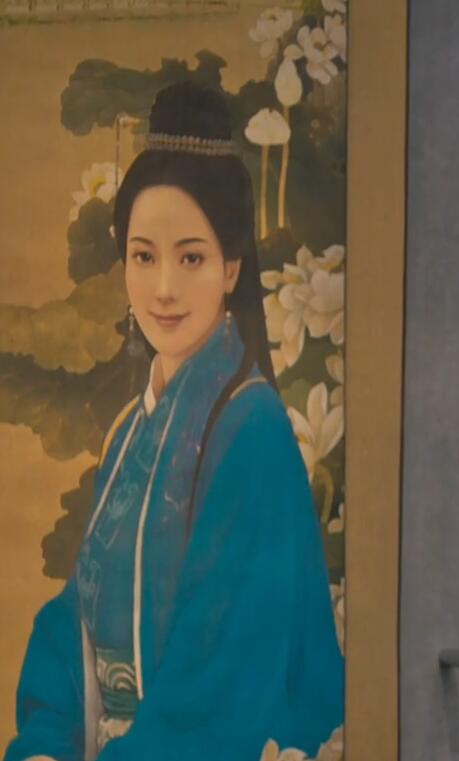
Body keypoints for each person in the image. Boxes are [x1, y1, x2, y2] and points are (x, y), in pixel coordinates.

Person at [5, 81, 343, 761]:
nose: (163, 288)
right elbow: (76, 618)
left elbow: (223, 681)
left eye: (191, 257)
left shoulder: (253, 432)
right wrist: (46, 743)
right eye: (143, 255)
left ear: (231, 267)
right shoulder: (130, 429)